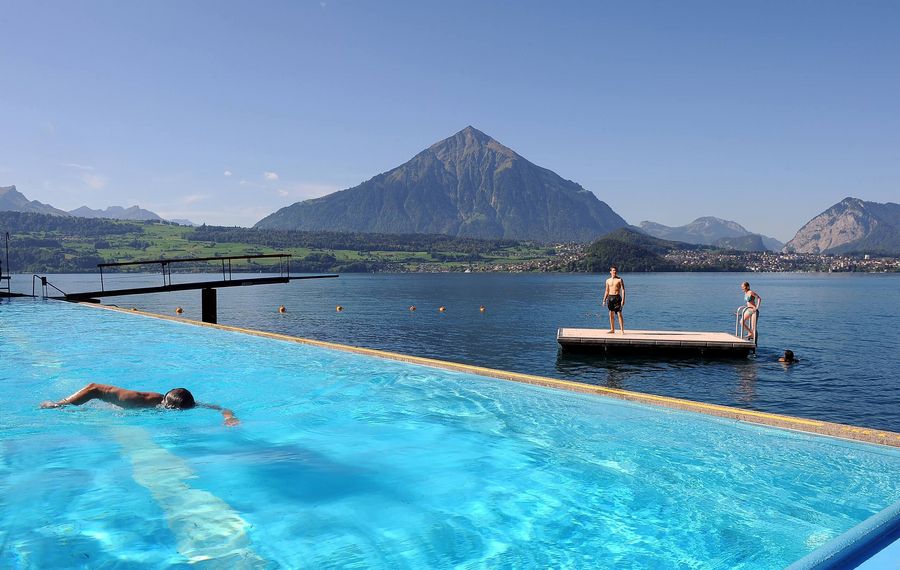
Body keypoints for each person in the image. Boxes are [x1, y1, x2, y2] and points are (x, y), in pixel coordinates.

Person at [40, 383, 239, 426]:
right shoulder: (137, 399)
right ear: (163, 404)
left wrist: (229, 417)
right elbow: (94, 388)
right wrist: (60, 404)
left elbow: (220, 408)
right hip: (118, 408)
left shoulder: (187, 403)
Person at [602, 265, 626, 334]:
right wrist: (604, 300)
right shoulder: (607, 280)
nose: (614, 271)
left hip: (617, 298)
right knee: (611, 314)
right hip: (610, 297)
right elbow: (606, 291)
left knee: (619, 314)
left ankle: (622, 330)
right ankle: (612, 329)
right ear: (610, 272)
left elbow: (623, 290)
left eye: (615, 270)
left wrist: (623, 299)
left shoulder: (619, 279)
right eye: (613, 270)